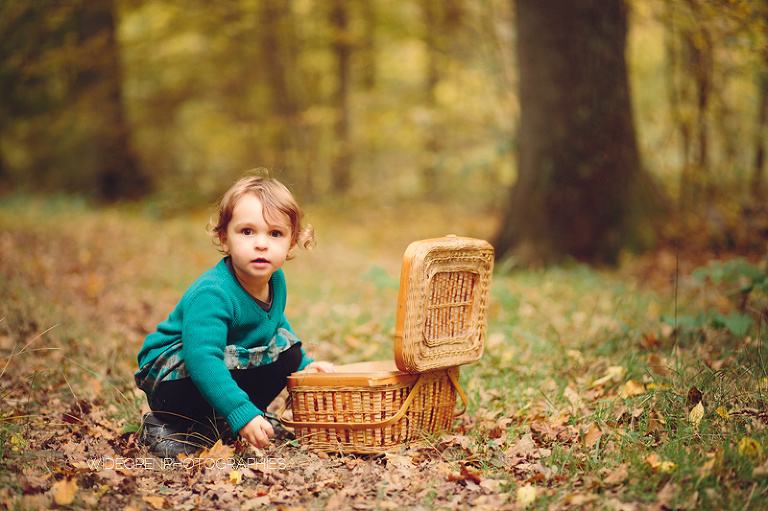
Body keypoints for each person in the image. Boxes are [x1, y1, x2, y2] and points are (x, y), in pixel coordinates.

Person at [135, 172, 334, 457]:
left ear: (291, 244)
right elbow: (202, 358)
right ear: (224, 238)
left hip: (221, 361)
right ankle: (167, 425)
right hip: (170, 375)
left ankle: (220, 420)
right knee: (208, 361)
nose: (261, 244)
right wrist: (241, 411)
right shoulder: (213, 292)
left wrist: (303, 365)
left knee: (288, 353)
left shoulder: (275, 281)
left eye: (275, 234)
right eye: (247, 231)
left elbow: (276, 326)